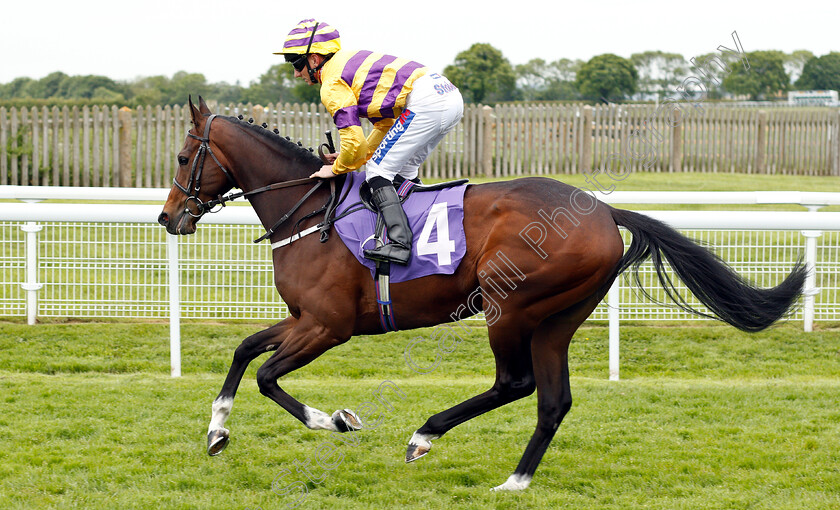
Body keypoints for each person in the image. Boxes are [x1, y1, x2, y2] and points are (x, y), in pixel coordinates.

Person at [276, 19, 464, 265]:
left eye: (297, 63)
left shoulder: (331, 82)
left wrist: (337, 167)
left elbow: (355, 142)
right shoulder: (346, 63)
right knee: (403, 170)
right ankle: (420, 233)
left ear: (314, 59)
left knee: (377, 170)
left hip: (427, 102)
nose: (296, 73)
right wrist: (351, 156)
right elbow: (384, 126)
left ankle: (400, 244)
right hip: (448, 95)